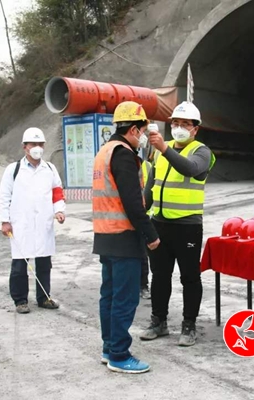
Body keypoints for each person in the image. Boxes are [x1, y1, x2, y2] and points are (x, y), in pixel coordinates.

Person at [140, 101, 216, 347]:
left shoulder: (201, 151)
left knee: (189, 277)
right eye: (176, 123)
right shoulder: (160, 150)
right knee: (160, 276)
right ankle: (158, 321)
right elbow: (152, 185)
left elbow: (191, 169)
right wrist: (141, 211)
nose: (179, 128)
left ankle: (189, 325)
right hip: (159, 223)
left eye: (185, 124)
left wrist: (164, 149)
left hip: (187, 226)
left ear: (195, 129)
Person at [92, 101, 160, 374]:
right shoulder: (123, 154)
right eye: (142, 130)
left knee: (109, 296)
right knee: (124, 298)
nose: (143, 136)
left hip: (105, 236)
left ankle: (109, 348)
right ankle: (119, 355)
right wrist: (150, 234)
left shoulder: (105, 151)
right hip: (123, 237)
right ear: (133, 129)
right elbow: (133, 203)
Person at [0, 127, 65, 314]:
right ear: (24, 147)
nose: (37, 148)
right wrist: (4, 221)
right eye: (33, 144)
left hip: (43, 223)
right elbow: (4, 196)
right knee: (20, 265)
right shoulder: (13, 170)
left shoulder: (49, 169)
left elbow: (57, 192)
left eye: (40, 144)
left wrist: (59, 210)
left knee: (44, 263)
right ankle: (20, 300)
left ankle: (44, 297)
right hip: (21, 224)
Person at [139, 146, 155, 300]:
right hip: (130, 214)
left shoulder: (148, 166)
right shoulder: (123, 162)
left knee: (144, 255)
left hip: (146, 216)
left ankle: (143, 286)